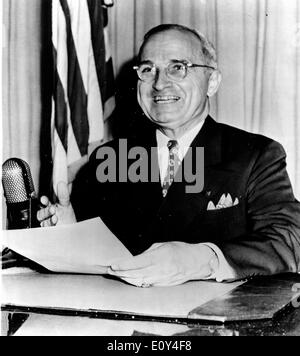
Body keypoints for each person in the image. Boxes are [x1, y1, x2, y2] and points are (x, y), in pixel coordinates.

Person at [38, 24, 300, 288]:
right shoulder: (112, 157)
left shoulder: (254, 155)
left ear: (212, 81)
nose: (160, 83)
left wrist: (205, 258)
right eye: (148, 69)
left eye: (177, 67)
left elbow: (289, 239)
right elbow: (97, 254)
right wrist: (70, 234)